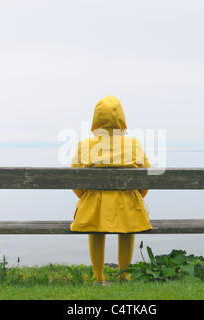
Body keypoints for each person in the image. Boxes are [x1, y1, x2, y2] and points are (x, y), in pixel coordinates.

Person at [70, 95, 152, 285]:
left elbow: (74, 180)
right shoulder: (134, 144)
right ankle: (125, 274)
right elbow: (145, 179)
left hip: (94, 207)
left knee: (96, 226)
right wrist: (137, 196)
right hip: (127, 205)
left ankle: (98, 276)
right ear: (121, 119)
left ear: (96, 120)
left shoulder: (84, 145)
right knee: (127, 223)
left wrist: (85, 197)